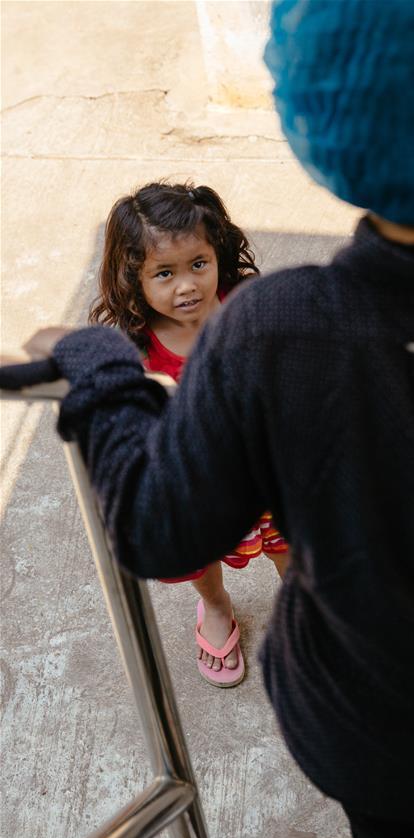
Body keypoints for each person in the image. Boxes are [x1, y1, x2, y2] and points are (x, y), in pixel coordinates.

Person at [4, 1, 414, 838]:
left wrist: (99, 368)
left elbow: (160, 531)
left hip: (368, 726)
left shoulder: (270, 333)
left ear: (323, 122)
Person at [88, 181, 290, 686]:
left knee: (295, 547)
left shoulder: (248, 306)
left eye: (198, 264)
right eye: (164, 273)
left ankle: (304, 610)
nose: (187, 286)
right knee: (199, 560)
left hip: (269, 471)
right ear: (133, 279)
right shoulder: (137, 352)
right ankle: (217, 607)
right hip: (199, 486)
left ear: (217, 253)